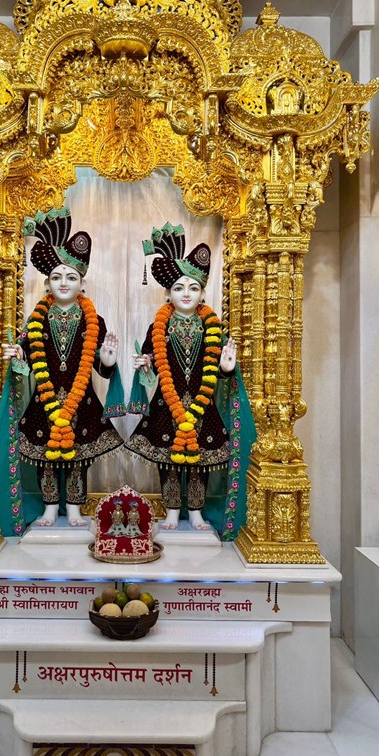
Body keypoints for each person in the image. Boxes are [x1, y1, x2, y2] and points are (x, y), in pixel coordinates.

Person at [0, 208, 124, 532]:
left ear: (82, 283)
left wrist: (108, 361)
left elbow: (101, 369)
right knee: (46, 459)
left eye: (71, 277)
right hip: (45, 401)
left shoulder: (94, 320)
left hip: (82, 402)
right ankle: (50, 508)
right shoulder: (36, 319)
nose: (64, 283)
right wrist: (17, 355)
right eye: (57, 277)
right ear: (47, 282)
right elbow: (26, 360)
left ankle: (75, 508)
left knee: (78, 460)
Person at [125, 223, 255, 537]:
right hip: (166, 404)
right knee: (169, 463)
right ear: (167, 293)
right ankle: (171, 511)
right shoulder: (159, 325)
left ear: (202, 293)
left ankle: (195, 512)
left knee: (198, 463)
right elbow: (150, 363)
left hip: (202, 403)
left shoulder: (211, 326)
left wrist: (227, 368)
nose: (186, 294)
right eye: (179, 288)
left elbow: (220, 372)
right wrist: (145, 365)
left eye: (193, 288)